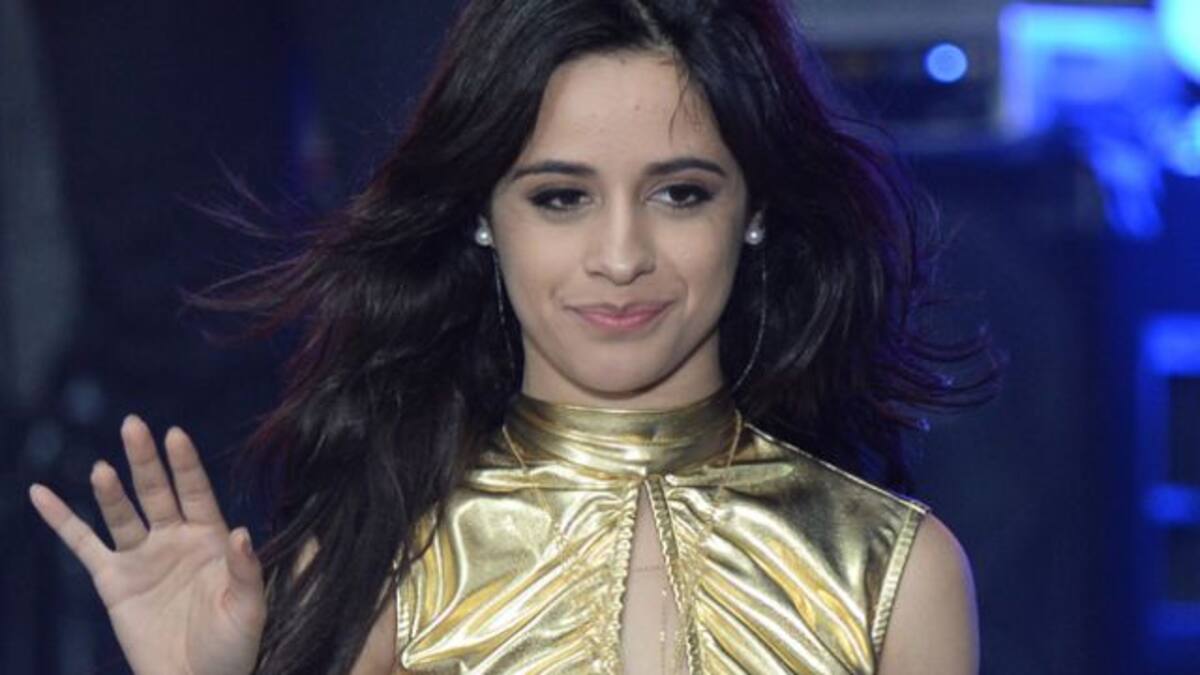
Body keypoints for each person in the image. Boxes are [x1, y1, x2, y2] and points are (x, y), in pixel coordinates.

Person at [28, 0, 1002, 673]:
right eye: (561, 197)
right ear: (485, 217)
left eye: (679, 193)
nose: (620, 257)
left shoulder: (893, 573)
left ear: (755, 211)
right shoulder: (372, 571)